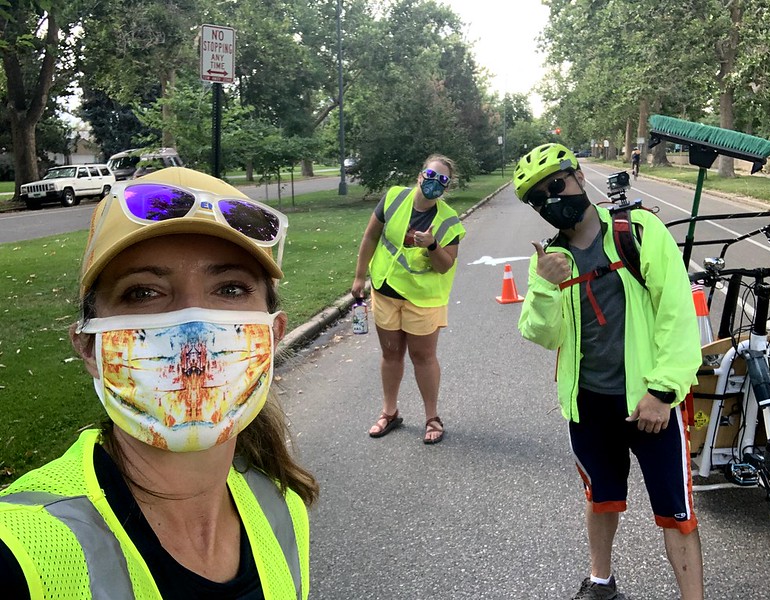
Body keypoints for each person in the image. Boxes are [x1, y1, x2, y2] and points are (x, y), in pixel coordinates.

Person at [0, 167, 318, 599]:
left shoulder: (282, 507)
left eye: (229, 289)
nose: (193, 324)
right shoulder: (21, 548)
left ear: (273, 334)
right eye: (143, 292)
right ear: (89, 348)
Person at [513, 143, 704, 599]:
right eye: (538, 199)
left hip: (649, 403)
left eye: (556, 185)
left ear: (578, 176)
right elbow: (541, 334)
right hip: (590, 404)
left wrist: (662, 391)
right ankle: (601, 582)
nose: (551, 201)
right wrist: (543, 284)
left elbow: (676, 316)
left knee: (676, 512)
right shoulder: (550, 257)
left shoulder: (637, 232)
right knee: (601, 499)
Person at [351, 154, 466, 444]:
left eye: (442, 180)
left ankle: (432, 418)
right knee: (390, 354)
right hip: (386, 291)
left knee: (423, 357)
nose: (434, 183)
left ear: (447, 187)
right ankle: (389, 412)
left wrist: (432, 245)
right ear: (420, 175)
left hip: (423, 300)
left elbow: (444, 265)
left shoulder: (449, 221)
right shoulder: (393, 198)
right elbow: (370, 238)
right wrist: (359, 277)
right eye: (431, 175)